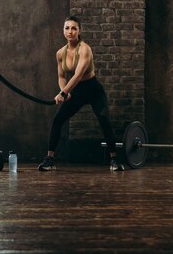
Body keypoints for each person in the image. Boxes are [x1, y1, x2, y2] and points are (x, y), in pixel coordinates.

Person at [38, 15, 125, 171]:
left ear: (79, 31)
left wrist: (63, 93)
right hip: (76, 90)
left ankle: (114, 160)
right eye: (67, 28)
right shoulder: (60, 53)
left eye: (74, 28)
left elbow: (78, 75)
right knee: (58, 120)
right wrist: (65, 91)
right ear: (63, 30)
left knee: (104, 120)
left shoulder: (85, 49)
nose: (70, 31)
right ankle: (50, 159)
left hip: (93, 89)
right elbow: (61, 76)